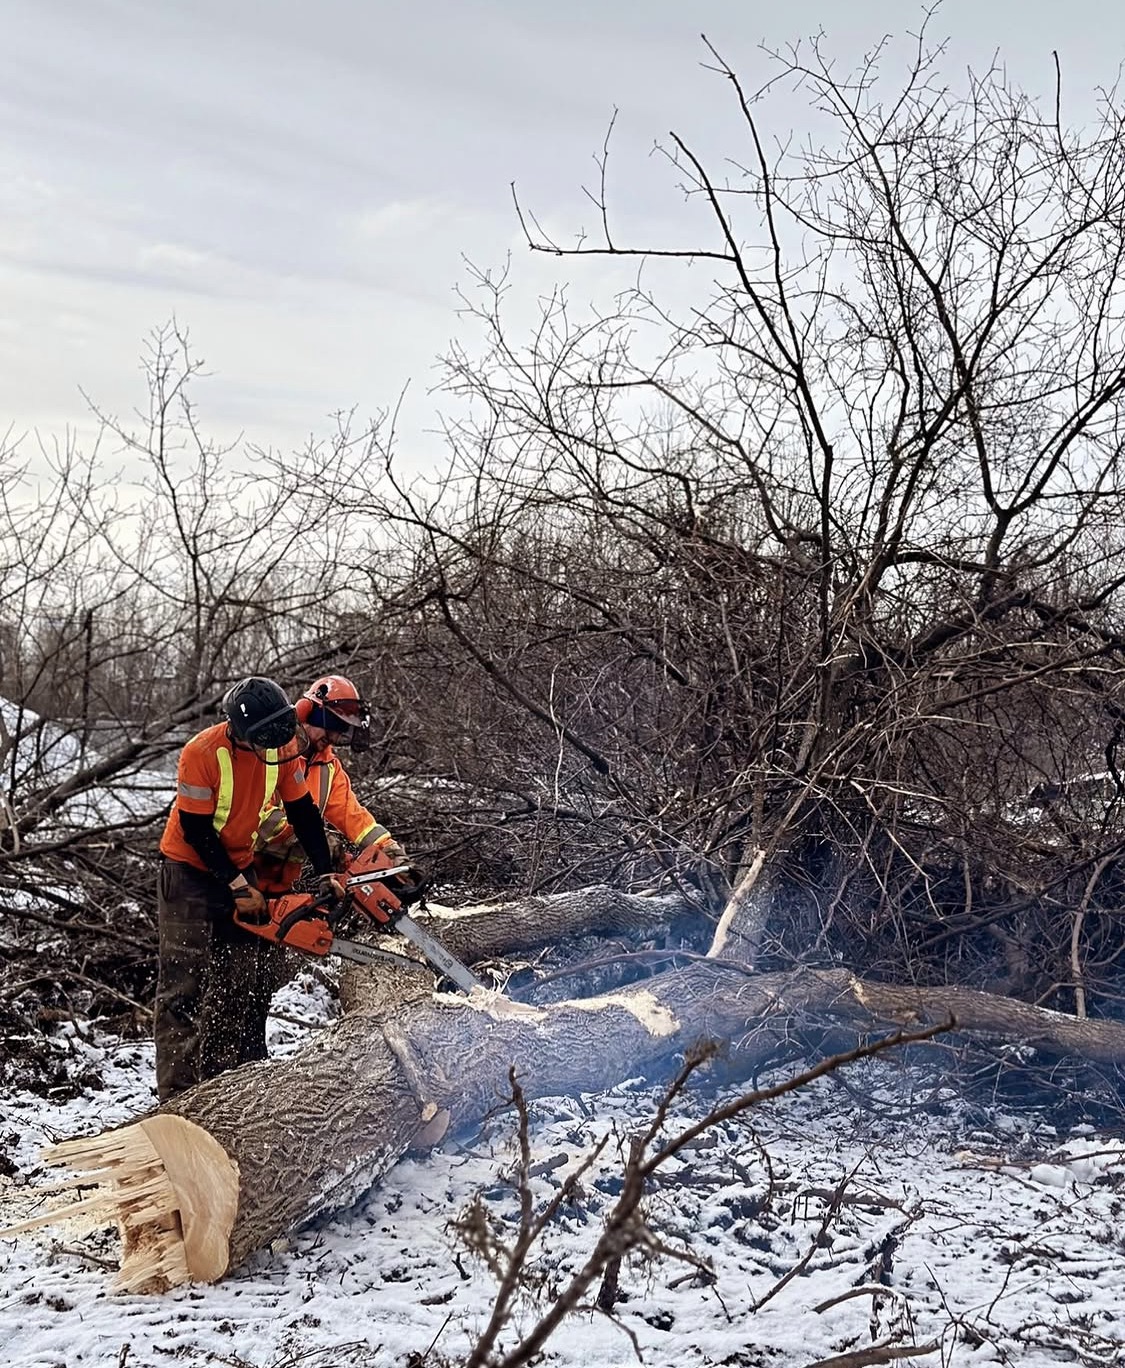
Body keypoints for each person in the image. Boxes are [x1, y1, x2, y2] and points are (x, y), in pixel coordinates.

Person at [154, 676, 345, 1101]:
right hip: (188, 871)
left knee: (238, 982)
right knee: (183, 986)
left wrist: (323, 870)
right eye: (263, 740)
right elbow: (197, 830)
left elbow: (303, 813)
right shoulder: (201, 753)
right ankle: (178, 1097)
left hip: (241, 863)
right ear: (241, 731)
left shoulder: (281, 748)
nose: (271, 747)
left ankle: (227, 1084)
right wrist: (239, 886)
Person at [252, 673, 405, 895]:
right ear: (307, 711)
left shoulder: (329, 768)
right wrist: (316, 839)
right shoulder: (270, 752)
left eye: (341, 728)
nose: (334, 736)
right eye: (332, 724)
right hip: (237, 874)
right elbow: (258, 814)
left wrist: (390, 850)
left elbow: (353, 816)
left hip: (280, 884)